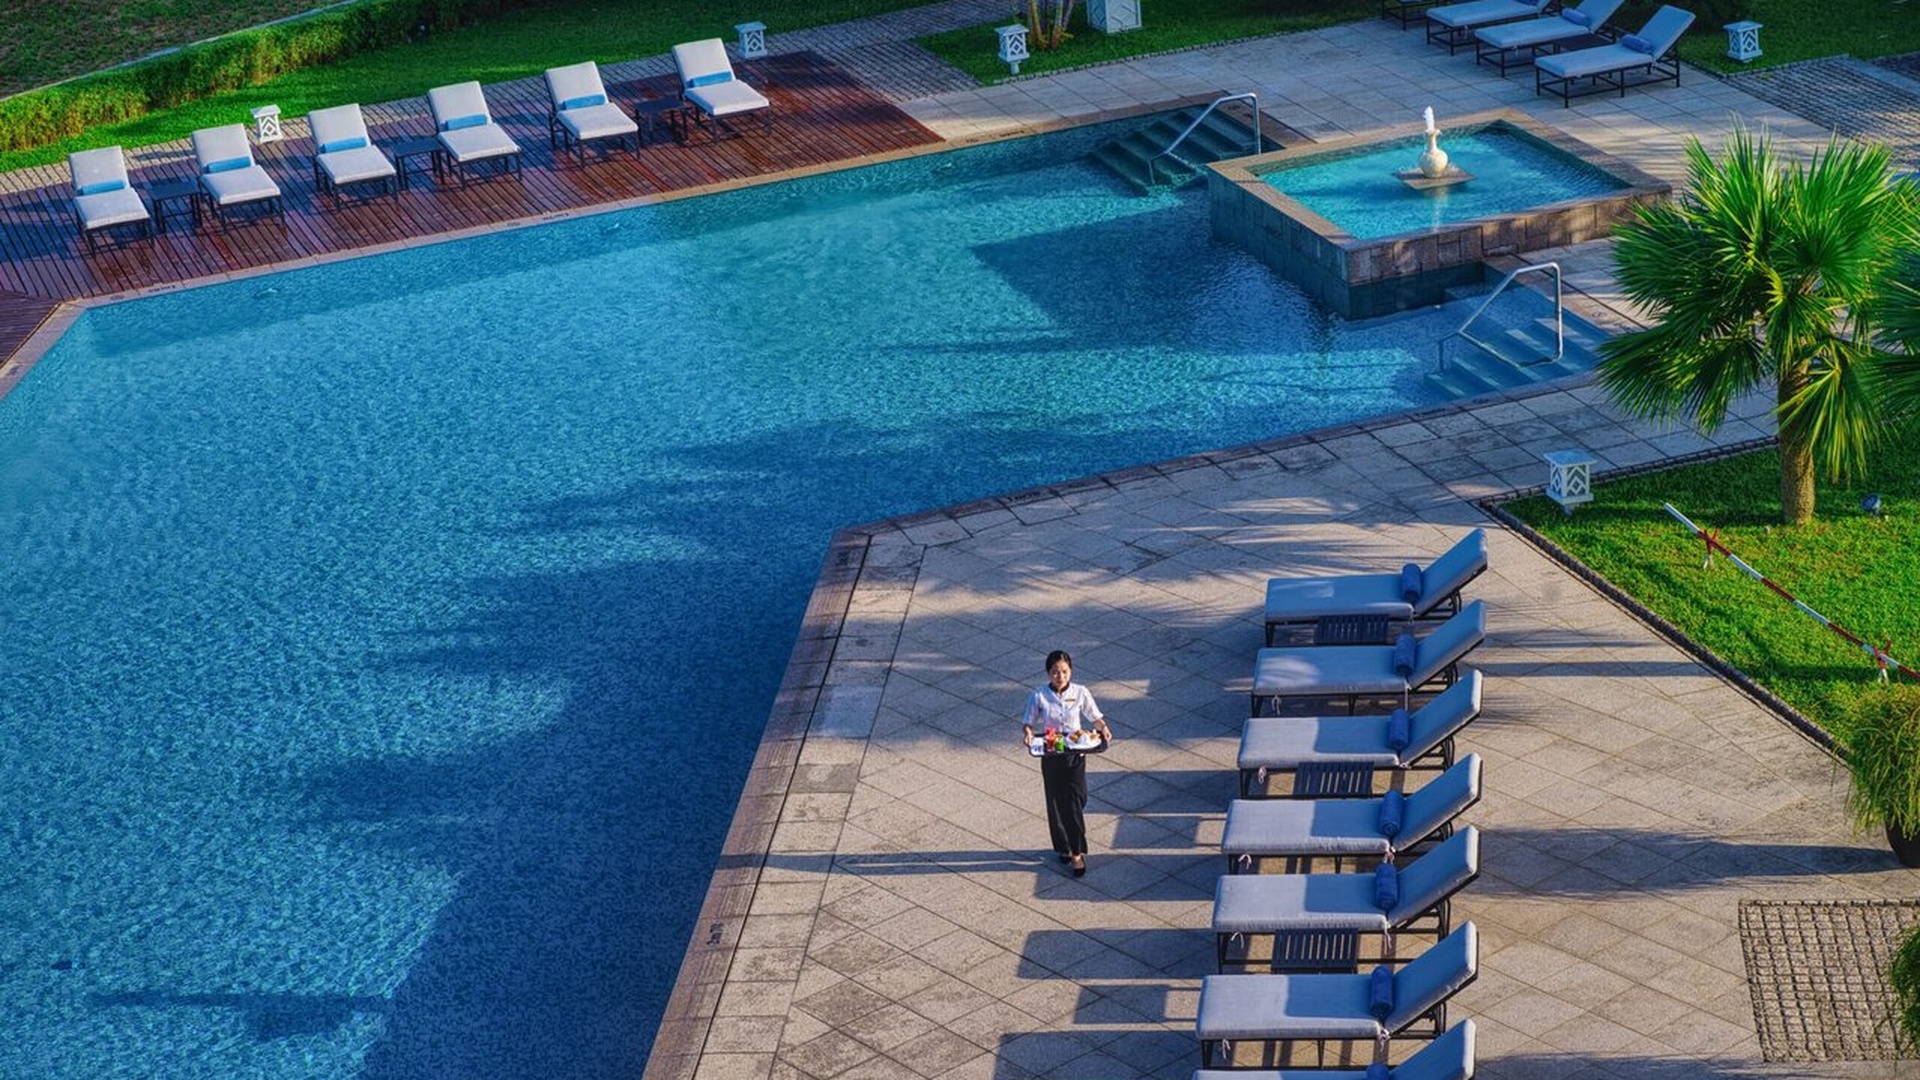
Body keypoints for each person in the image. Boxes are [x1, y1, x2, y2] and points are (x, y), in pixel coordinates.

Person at [1020, 649, 1114, 877]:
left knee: (1077, 798)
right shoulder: (1039, 695)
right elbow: (1028, 722)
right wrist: (1029, 734)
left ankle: (1069, 842)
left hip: (1075, 753)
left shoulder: (1080, 692)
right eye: (1055, 672)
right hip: (1052, 753)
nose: (1059, 676)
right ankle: (1073, 852)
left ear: (1070, 671)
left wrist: (1103, 728)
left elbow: (1094, 715)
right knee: (1056, 803)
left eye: (1063, 672)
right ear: (1048, 673)